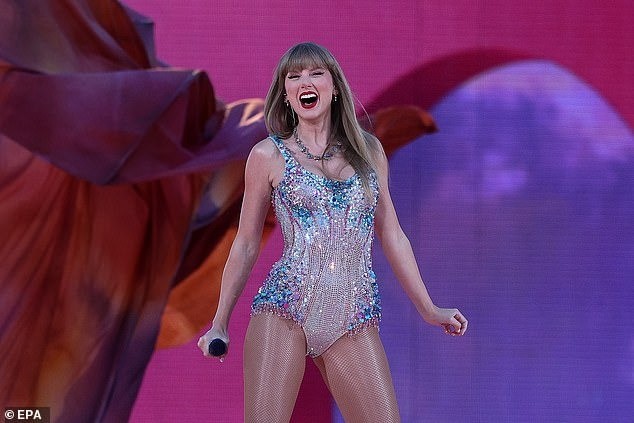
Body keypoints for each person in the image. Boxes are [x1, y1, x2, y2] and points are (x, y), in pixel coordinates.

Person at [198, 42, 468, 422]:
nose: (304, 82)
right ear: (286, 94)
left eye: (315, 73)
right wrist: (220, 322)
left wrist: (429, 308)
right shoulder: (267, 156)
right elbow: (245, 244)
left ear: (335, 87)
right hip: (285, 308)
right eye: (294, 77)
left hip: (351, 314)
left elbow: (391, 233)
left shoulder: (369, 151)